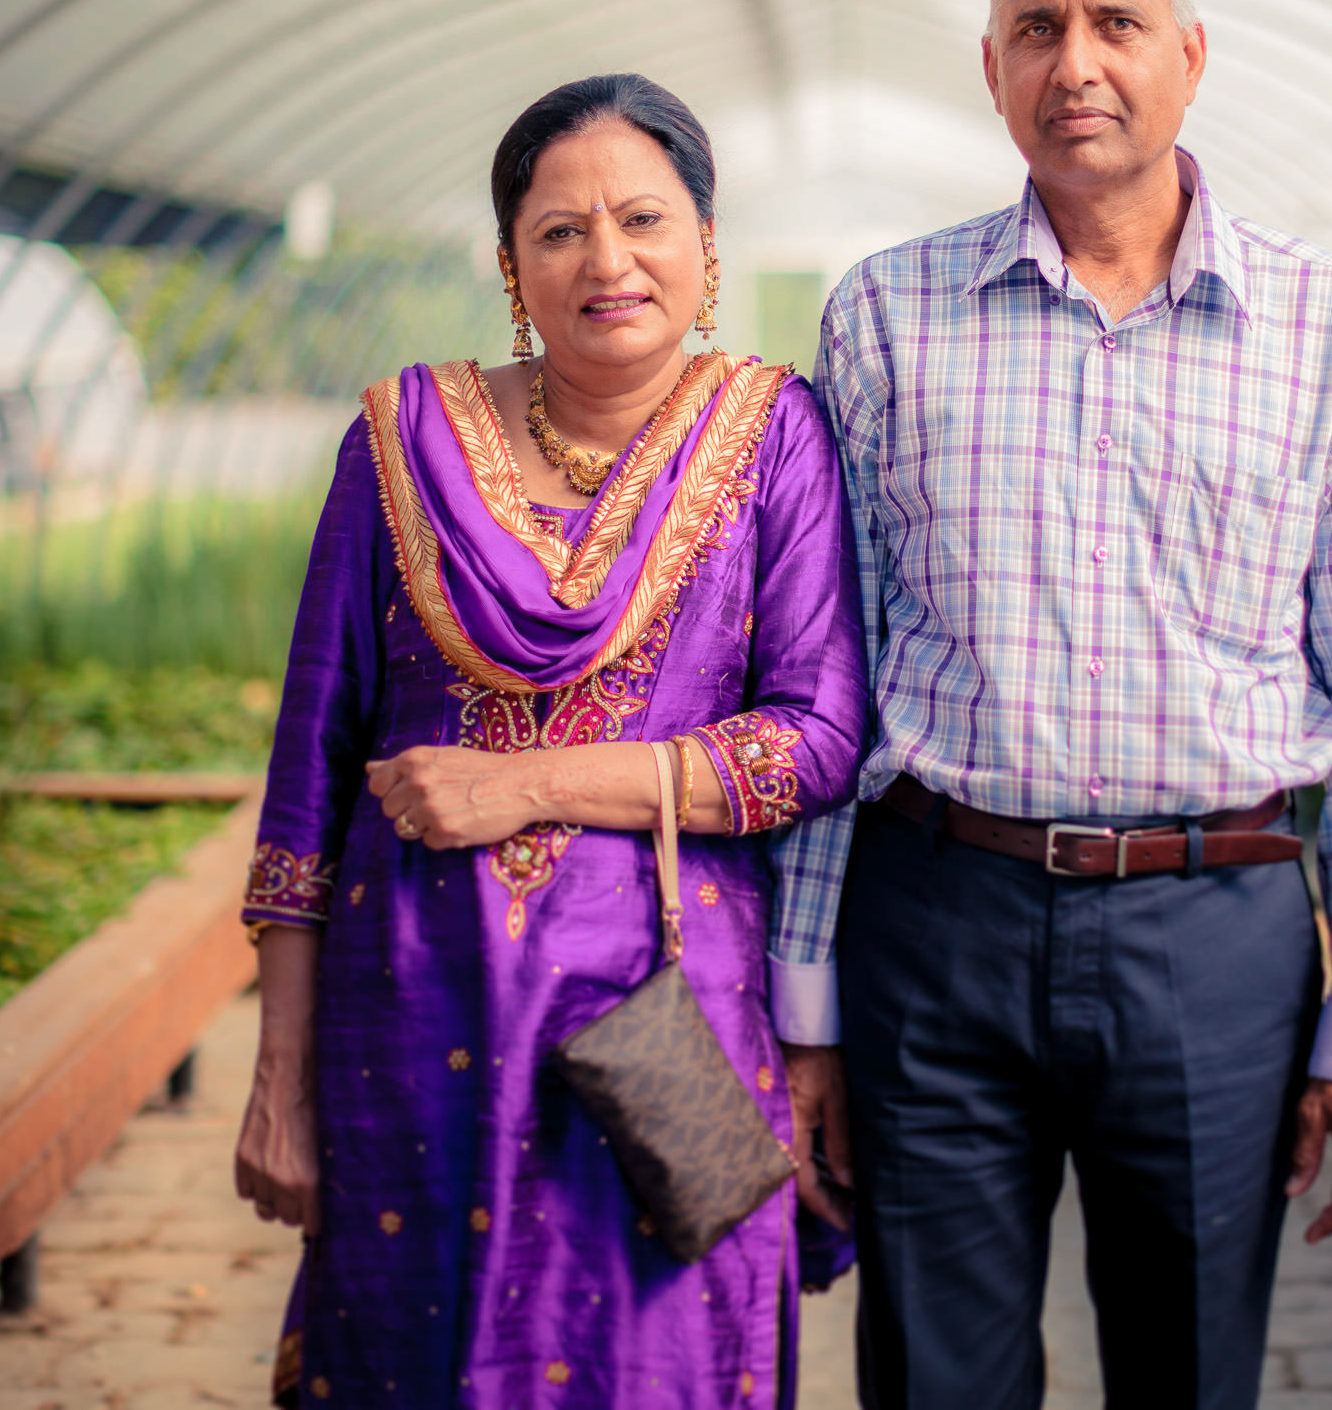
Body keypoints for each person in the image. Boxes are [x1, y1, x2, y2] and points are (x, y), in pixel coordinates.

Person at [769, 0, 1332, 1409]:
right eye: (1038, 29)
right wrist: (806, 1005)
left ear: (1192, 56)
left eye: (1115, 23)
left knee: (1189, 1373)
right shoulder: (887, 317)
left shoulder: (1331, 325)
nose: (1075, 62)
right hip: (934, 923)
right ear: (991, 69)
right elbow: (835, 678)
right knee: (933, 1382)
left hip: (1212, 938)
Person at [233, 73, 868, 1409]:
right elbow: (307, 783)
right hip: (408, 1020)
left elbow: (814, 741)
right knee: (413, 1366)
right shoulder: (399, 441)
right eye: (561, 230)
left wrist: (523, 785)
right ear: (513, 263)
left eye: (644, 220)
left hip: (668, 1031)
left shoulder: (776, 437)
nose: (608, 260)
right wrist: (280, 1081)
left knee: (662, 1367)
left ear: (705, 247)